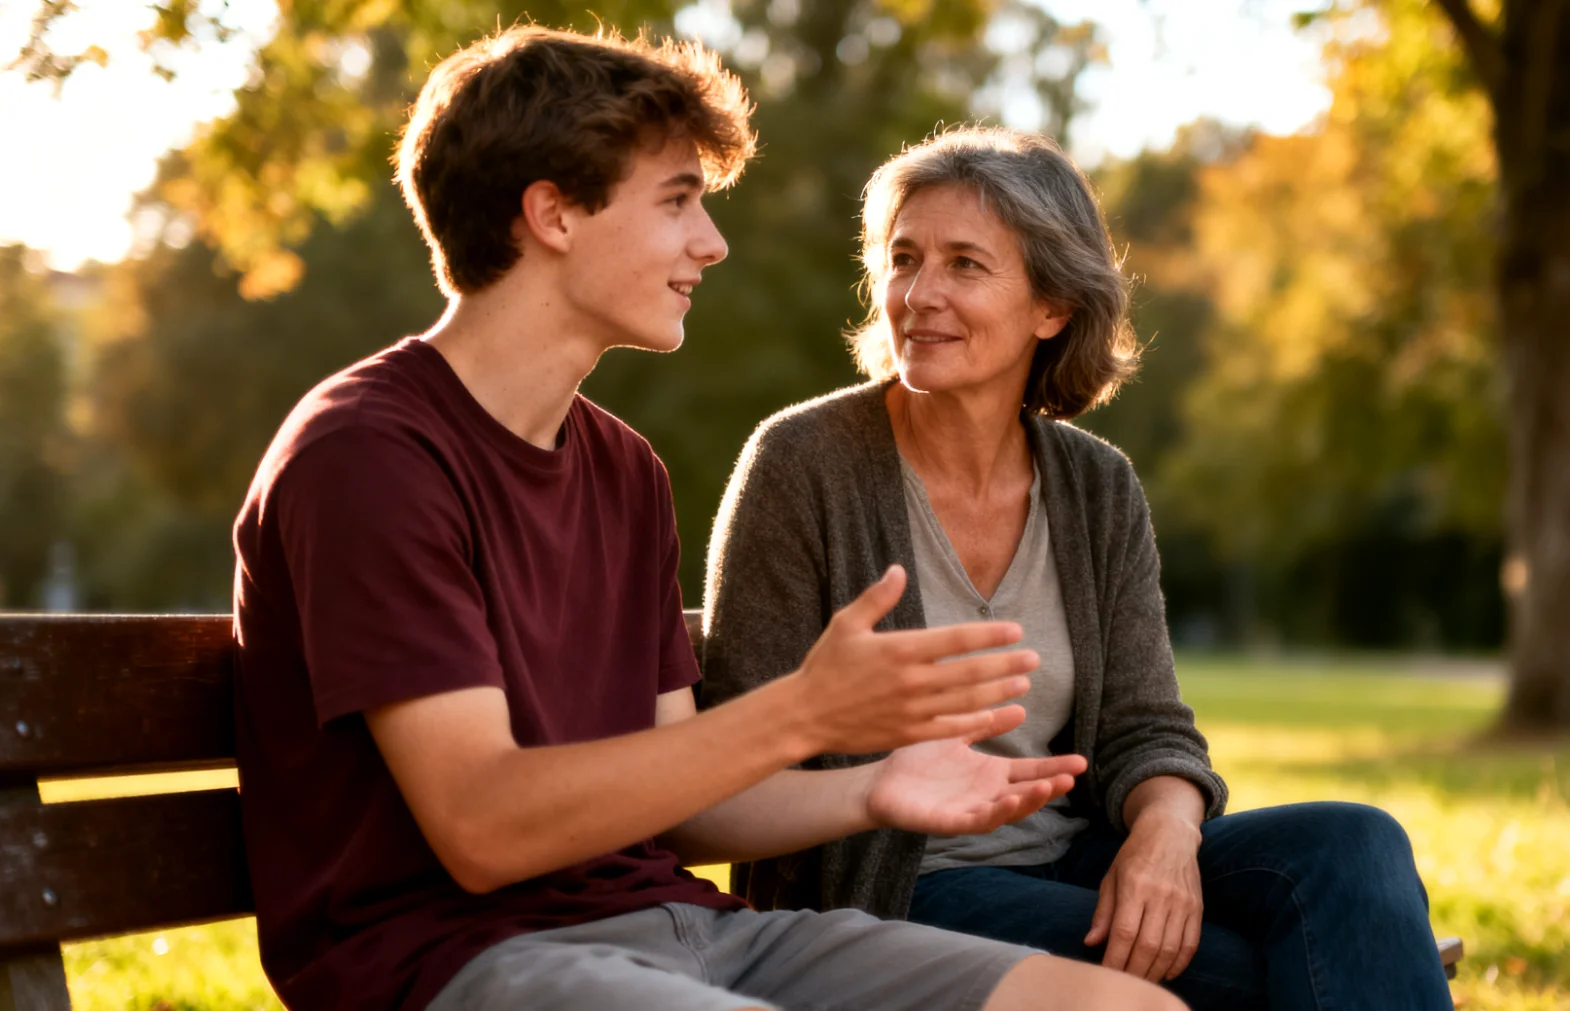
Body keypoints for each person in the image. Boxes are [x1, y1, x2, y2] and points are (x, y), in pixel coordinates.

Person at [230, 28, 1187, 1011]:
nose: (711, 242)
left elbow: (693, 805)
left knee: (1125, 1008)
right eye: (677, 200)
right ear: (553, 214)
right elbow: (482, 830)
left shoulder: (622, 470)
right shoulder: (369, 455)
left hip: (686, 929)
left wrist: (872, 788)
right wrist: (806, 711)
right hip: (461, 958)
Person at [701, 126, 1457, 1011]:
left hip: (1072, 857)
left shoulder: (1098, 486)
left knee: (1354, 846)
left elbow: (1146, 725)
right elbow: (734, 759)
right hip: (896, 889)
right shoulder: (802, 464)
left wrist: (1166, 831)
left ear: (1052, 307)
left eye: (965, 264)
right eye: (903, 259)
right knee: (1275, 969)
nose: (920, 293)